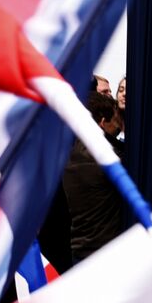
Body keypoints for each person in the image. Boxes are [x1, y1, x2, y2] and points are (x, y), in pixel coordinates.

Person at [62, 92, 130, 263]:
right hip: (105, 254)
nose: (118, 126)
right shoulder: (104, 159)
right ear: (102, 123)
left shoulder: (70, 155)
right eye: (116, 121)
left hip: (79, 250)